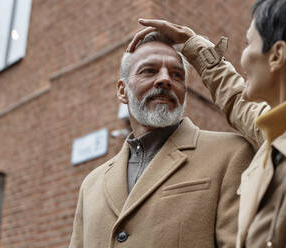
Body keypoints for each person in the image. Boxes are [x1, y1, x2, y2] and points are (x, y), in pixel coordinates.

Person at [128, 0, 286, 247]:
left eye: (249, 43)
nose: (243, 57)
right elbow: (237, 101)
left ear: (277, 56)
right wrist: (192, 44)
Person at [68, 32, 255, 248]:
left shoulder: (232, 153)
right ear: (122, 91)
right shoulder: (91, 184)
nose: (165, 79)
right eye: (149, 71)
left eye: (177, 75)